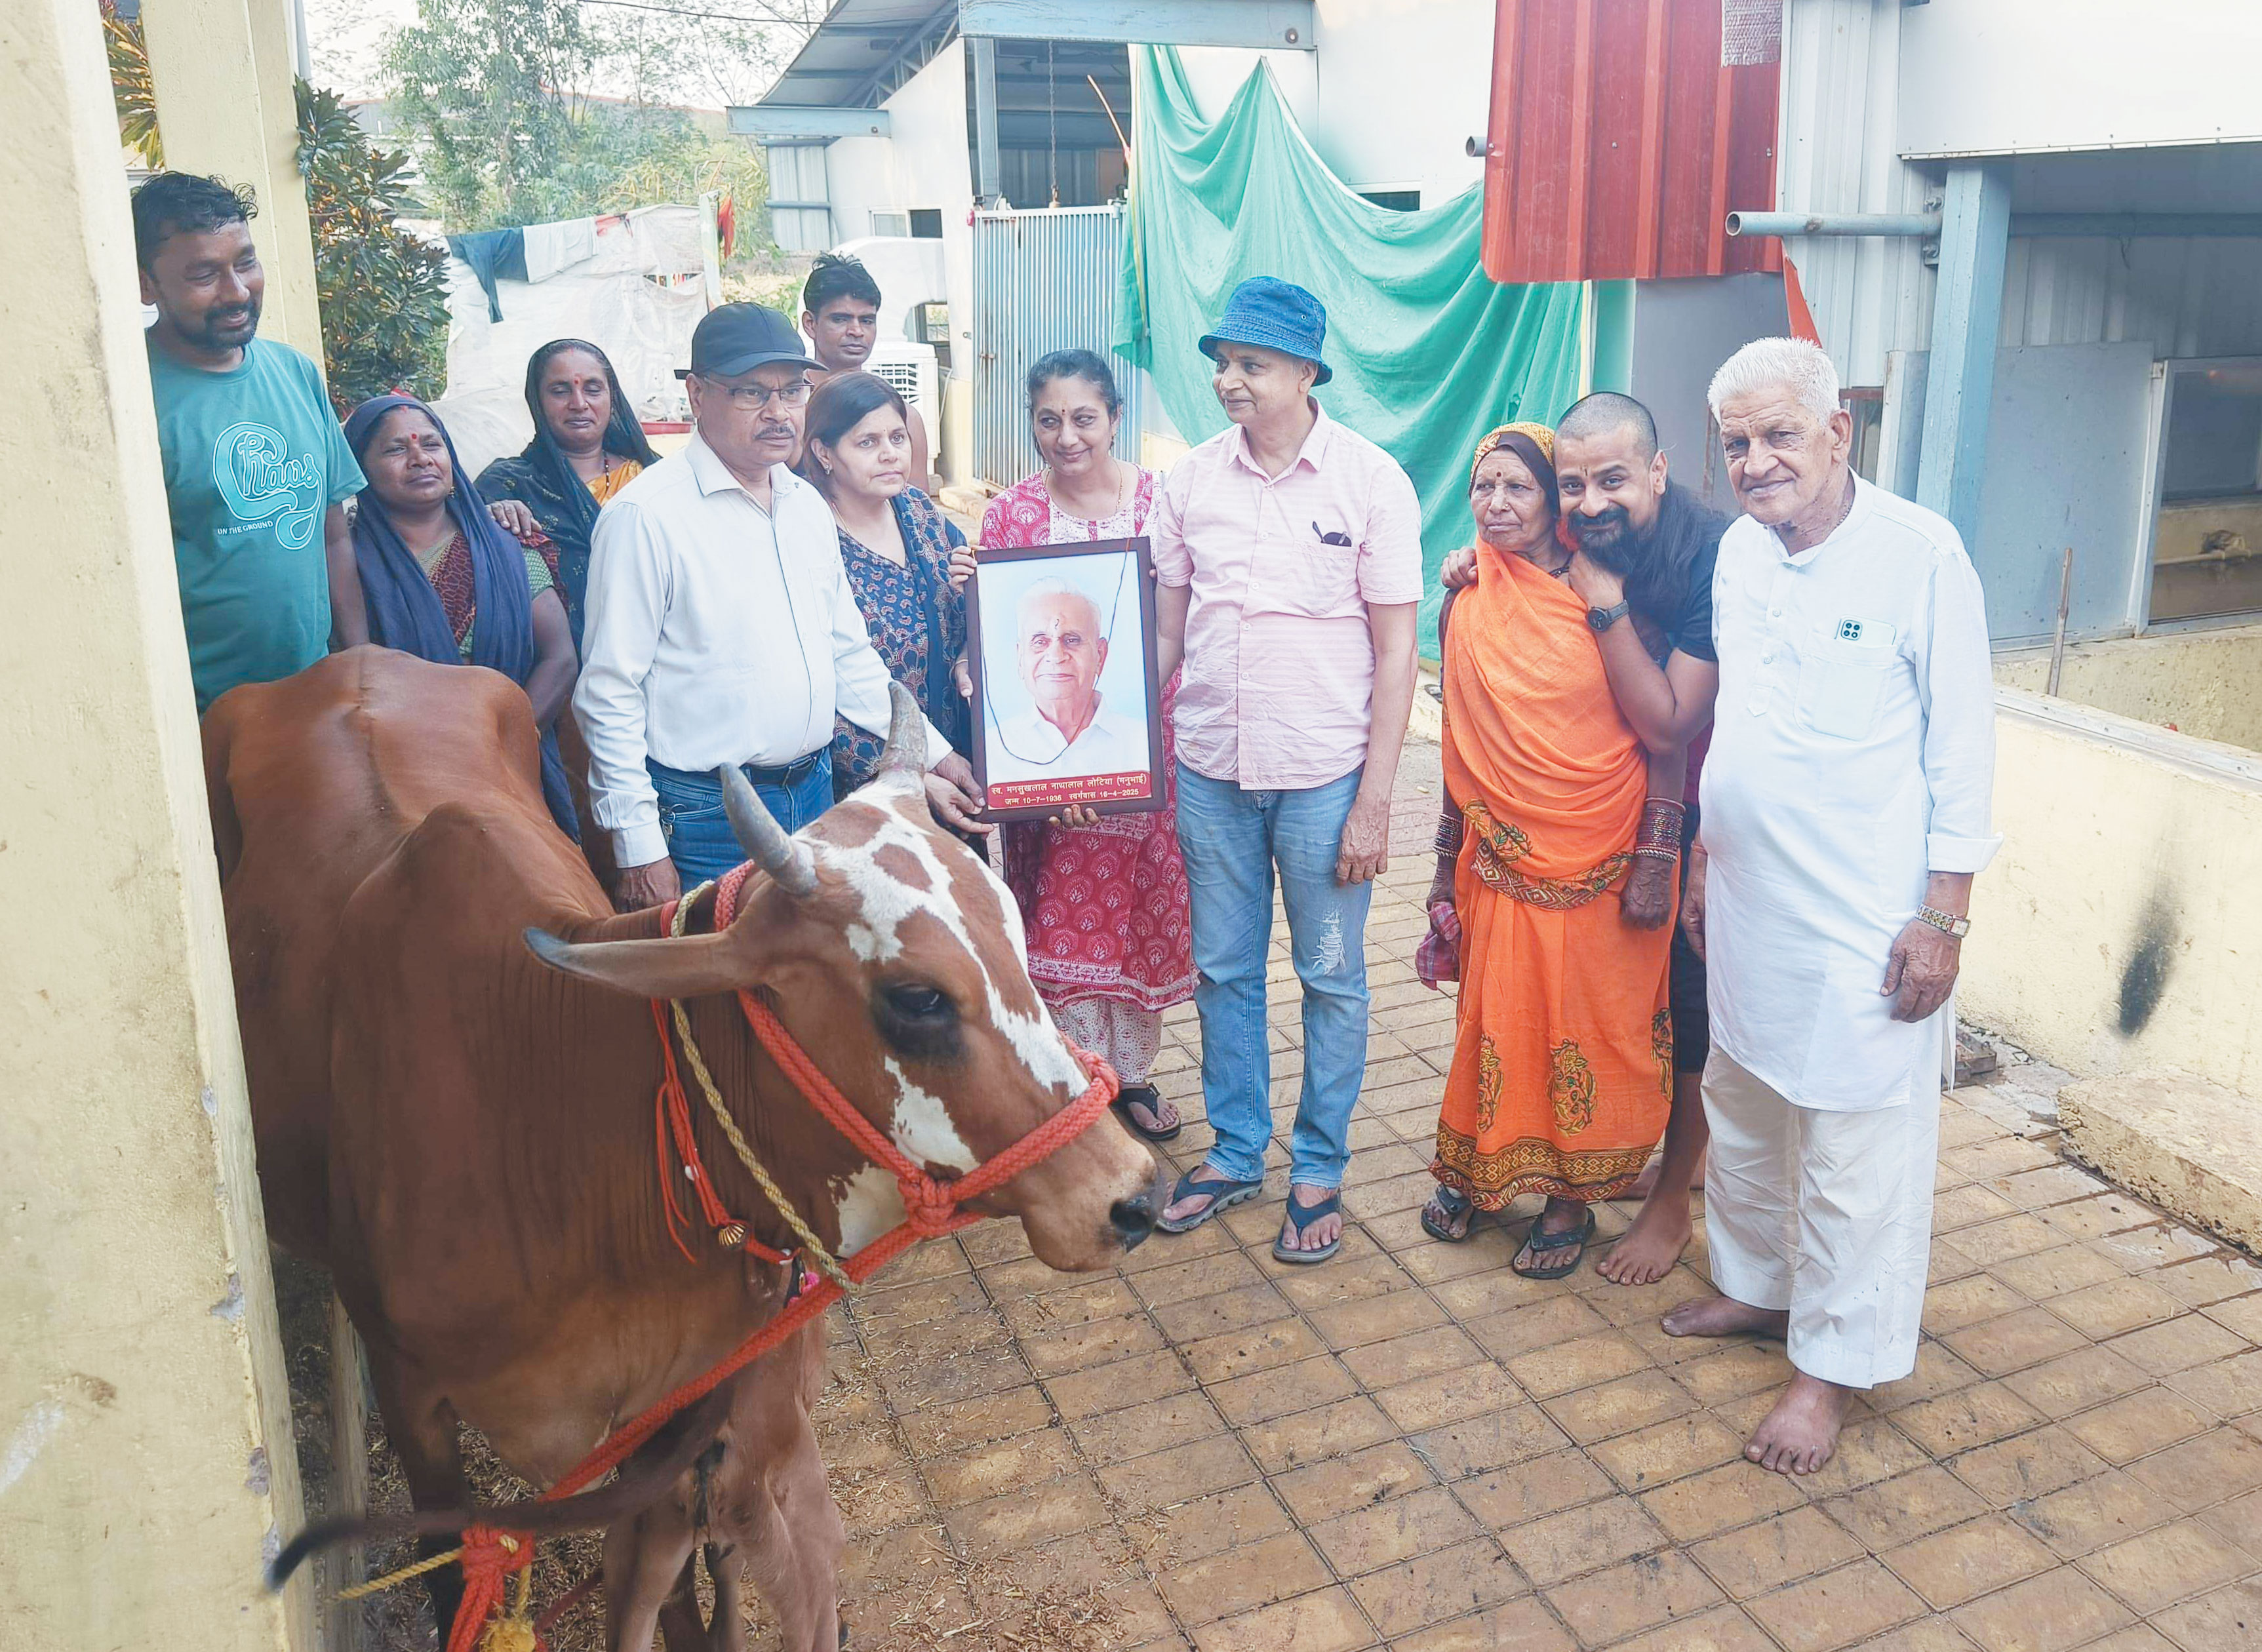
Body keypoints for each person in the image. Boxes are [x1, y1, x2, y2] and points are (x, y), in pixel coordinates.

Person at [1664, 336, 1998, 1476]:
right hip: (1751, 900)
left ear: (1839, 430)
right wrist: (1709, 856)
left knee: (1857, 1146)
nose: (1756, 464)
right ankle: (1758, 1292)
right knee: (1746, 1109)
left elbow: (1964, 751)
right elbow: (1743, 727)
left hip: (1868, 918)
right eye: (1737, 443)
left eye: (1780, 436)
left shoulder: (1920, 556)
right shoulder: (1740, 558)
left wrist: (1943, 917)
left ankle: (1832, 1369)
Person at [1149, 278, 1421, 1263]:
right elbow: (1166, 635)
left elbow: (1397, 655)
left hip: (1323, 783)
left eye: (1250, 364)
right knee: (1222, 972)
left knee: (1331, 979)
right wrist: (1095, 733)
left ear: (1305, 372)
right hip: (1212, 772)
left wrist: (1374, 805)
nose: (1228, 380)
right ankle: (1234, 1150)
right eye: (1222, 361)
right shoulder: (1187, 484)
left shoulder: (1370, 482)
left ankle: (1317, 1169)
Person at [1438, 390, 1726, 1286]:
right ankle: (1484, 1164)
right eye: (1572, 485)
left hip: (1669, 827)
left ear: (1656, 472)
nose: (1590, 502)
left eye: (1609, 481)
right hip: (1508, 854)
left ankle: (1646, 1194)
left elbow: (1666, 731)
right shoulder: (1477, 589)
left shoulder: (1694, 560)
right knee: (1498, 1017)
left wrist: (1663, 855)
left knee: (1664, 1020)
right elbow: (1460, 735)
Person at [574, 304, 987, 908]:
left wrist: (942, 755)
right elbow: (608, 693)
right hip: (705, 817)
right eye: (750, 393)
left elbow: (848, 655)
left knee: (803, 994)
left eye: (792, 391)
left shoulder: (802, 506)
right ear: (696, 393)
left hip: (816, 798)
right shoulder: (646, 518)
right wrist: (639, 847)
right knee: (716, 994)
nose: (778, 412)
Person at [959, 350, 1195, 1143]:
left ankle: (1129, 1080)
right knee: (1056, 919)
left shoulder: (1163, 505)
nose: (1066, 437)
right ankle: (1070, 1087)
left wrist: (1124, 736)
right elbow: (997, 646)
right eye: (1048, 419)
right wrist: (974, 600)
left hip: (1139, 751)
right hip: (1045, 771)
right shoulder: (1011, 517)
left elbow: (1181, 617)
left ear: (1116, 419)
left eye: (1083, 418)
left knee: (1131, 923)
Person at [135, 172, 368, 711]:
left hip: (314, 698)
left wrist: (359, 662)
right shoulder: (133, 398)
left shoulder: (296, 373)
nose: (237, 291)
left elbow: (332, 536)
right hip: (202, 719)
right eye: (203, 274)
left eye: (245, 263)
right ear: (147, 285)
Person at [342, 394, 579, 833]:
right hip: (399, 778)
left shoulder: (506, 544)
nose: (420, 459)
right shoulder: (350, 568)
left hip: (509, 764)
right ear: (360, 468)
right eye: (396, 449)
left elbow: (560, 657)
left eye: (432, 445)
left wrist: (504, 740)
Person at [792, 371, 970, 795]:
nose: (891, 454)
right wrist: (910, 775)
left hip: (954, 760)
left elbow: (959, 623)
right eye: (868, 442)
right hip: (868, 785)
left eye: (898, 437)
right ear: (824, 452)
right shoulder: (807, 533)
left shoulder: (917, 510)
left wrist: (973, 592)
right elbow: (819, 686)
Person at [476, 338, 662, 651]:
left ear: (611, 397)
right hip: (556, 667)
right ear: (537, 400)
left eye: (592, 389)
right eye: (560, 391)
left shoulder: (655, 478)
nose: (579, 403)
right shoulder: (507, 485)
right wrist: (488, 516)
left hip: (663, 655)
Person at [987, 580, 1149, 784]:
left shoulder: (1141, 742)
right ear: (1020, 659)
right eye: (1040, 642)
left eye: (1072, 640)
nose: (1056, 656)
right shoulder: (992, 748)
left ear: (1100, 655)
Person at [802, 252, 935, 490]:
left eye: (867, 320)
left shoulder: (904, 419)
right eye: (841, 319)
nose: (856, 331)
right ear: (811, 324)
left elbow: (919, 514)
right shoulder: (792, 410)